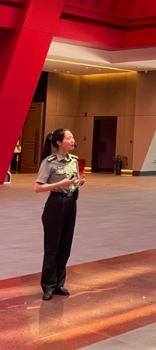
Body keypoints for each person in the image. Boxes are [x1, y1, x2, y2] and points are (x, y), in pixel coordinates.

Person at [34, 129, 85, 301]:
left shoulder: (74, 160)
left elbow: (71, 183)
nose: (72, 140)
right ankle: (48, 285)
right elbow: (38, 187)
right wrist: (59, 184)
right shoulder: (49, 162)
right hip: (55, 204)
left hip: (70, 203)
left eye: (73, 137)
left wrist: (77, 184)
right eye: (69, 138)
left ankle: (59, 284)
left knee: (65, 246)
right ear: (58, 142)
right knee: (52, 247)